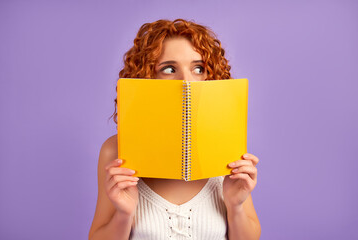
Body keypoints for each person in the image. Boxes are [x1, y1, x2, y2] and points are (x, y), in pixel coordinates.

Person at [89, 19, 261, 240]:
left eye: (198, 68)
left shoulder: (227, 144)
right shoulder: (115, 150)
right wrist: (124, 214)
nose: (186, 81)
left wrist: (235, 205)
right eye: (169, 69)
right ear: (147, 77)